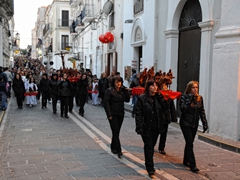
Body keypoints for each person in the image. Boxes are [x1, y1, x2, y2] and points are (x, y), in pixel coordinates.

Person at [135, 80, 168, 177]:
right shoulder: (142, 99)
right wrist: (139, 127)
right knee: (149, 146)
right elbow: (138, 114)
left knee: (151, 146)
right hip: (146, 127)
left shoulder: (158, 98)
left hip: (157, 127)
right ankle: (150, 168)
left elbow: (166, 108)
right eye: (152, 85)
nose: (155, 87)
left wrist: (161, 97)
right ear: (148, 87)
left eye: (156, 85)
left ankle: (148, 162)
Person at [179, 81, 208, 173]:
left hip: (194, 124)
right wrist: (189, 99)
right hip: (185, 123)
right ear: (189, 88)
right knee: (190, 143)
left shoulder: (200, 98)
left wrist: (204, 123)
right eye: (193, 87)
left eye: (196, 87)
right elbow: (183, 109)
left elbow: (201, 111)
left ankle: (185, 160)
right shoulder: (184, 97)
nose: (195, 89)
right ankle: (193, 164)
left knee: (189, 143)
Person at [103, 76, 130, 158]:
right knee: (115, 131)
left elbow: (127, 100)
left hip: (120, 113)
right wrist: (109, 114)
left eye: (120, 82)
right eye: (116, 82)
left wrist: (126, 91)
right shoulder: (109, 91)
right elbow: (106, 103)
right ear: (113, 83)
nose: (118, 84)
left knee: (116, 132)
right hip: (113, 114)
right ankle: (119, 150)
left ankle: (113, 146)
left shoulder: (122, 91)